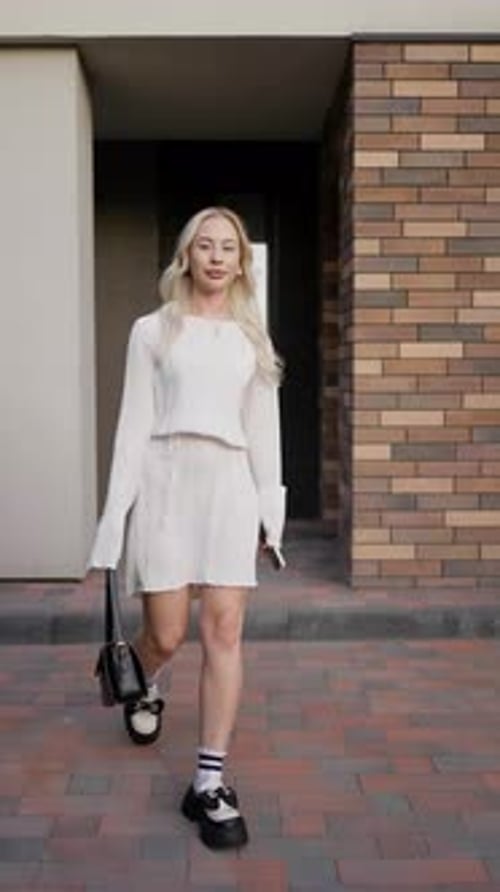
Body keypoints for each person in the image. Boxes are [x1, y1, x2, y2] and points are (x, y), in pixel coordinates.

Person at [88, 207, 286, 850]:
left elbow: (264, 433)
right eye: (206, 245)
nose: (218, 256)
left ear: (241, 262)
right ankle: (138, 678)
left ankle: (209, 781)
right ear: (188, 256)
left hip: (228, 482)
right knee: (168, 635)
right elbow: (131, 428)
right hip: (168, 478)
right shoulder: (152, 331)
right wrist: (114, 519)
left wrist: (268, 512)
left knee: (224, 628)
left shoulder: (251, 339)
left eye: (229, 247)